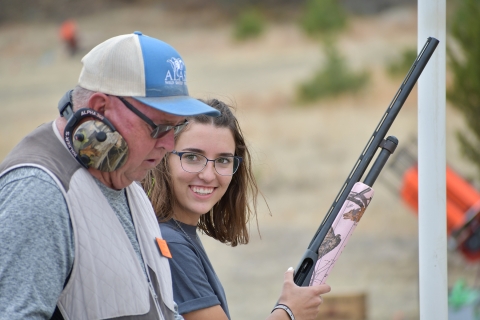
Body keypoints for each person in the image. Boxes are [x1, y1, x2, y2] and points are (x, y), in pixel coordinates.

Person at [0, 31, 221, 320]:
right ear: (99, 109)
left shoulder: (126, 177)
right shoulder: (40, 191)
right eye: (157, 128)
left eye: (176, 128)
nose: (168, 145)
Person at [143, 99, 331, 320]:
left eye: (223, 160)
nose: (209, 175)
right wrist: (289, 312)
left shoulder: (177, 232)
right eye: (192, 157)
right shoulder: (170, 242)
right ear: (164, 157)